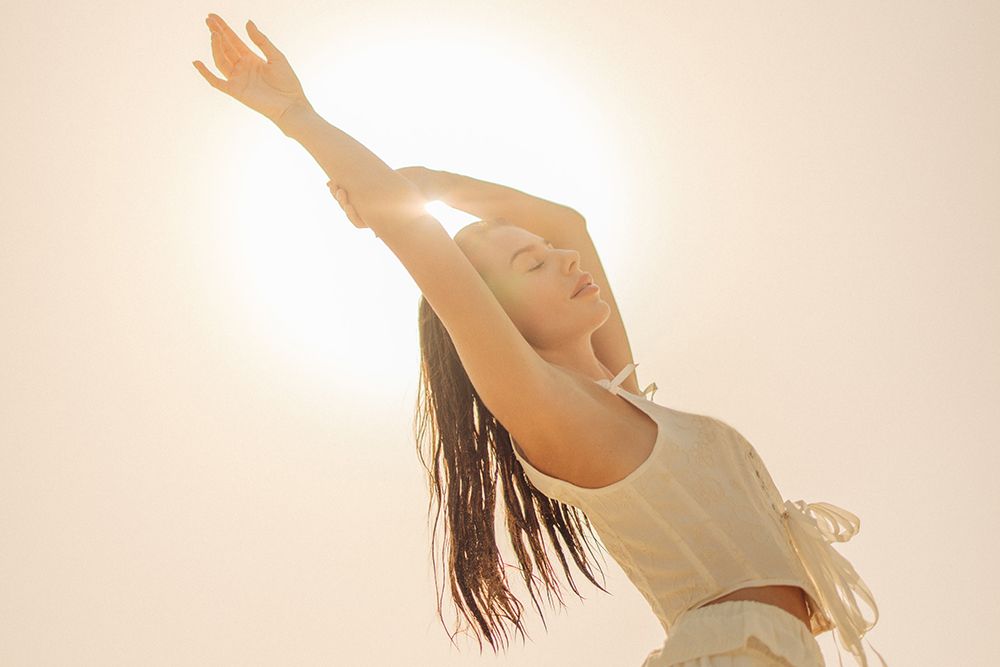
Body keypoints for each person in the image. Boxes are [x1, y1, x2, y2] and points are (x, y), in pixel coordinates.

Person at [193, 15, 887, 667]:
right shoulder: (549, 407)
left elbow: (566, 222)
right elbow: (418, 240)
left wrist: (432, 181)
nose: (565, 259)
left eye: (547, 254)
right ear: (503, 318)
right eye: (532, 264)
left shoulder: (621, 396)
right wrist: (296, 116)